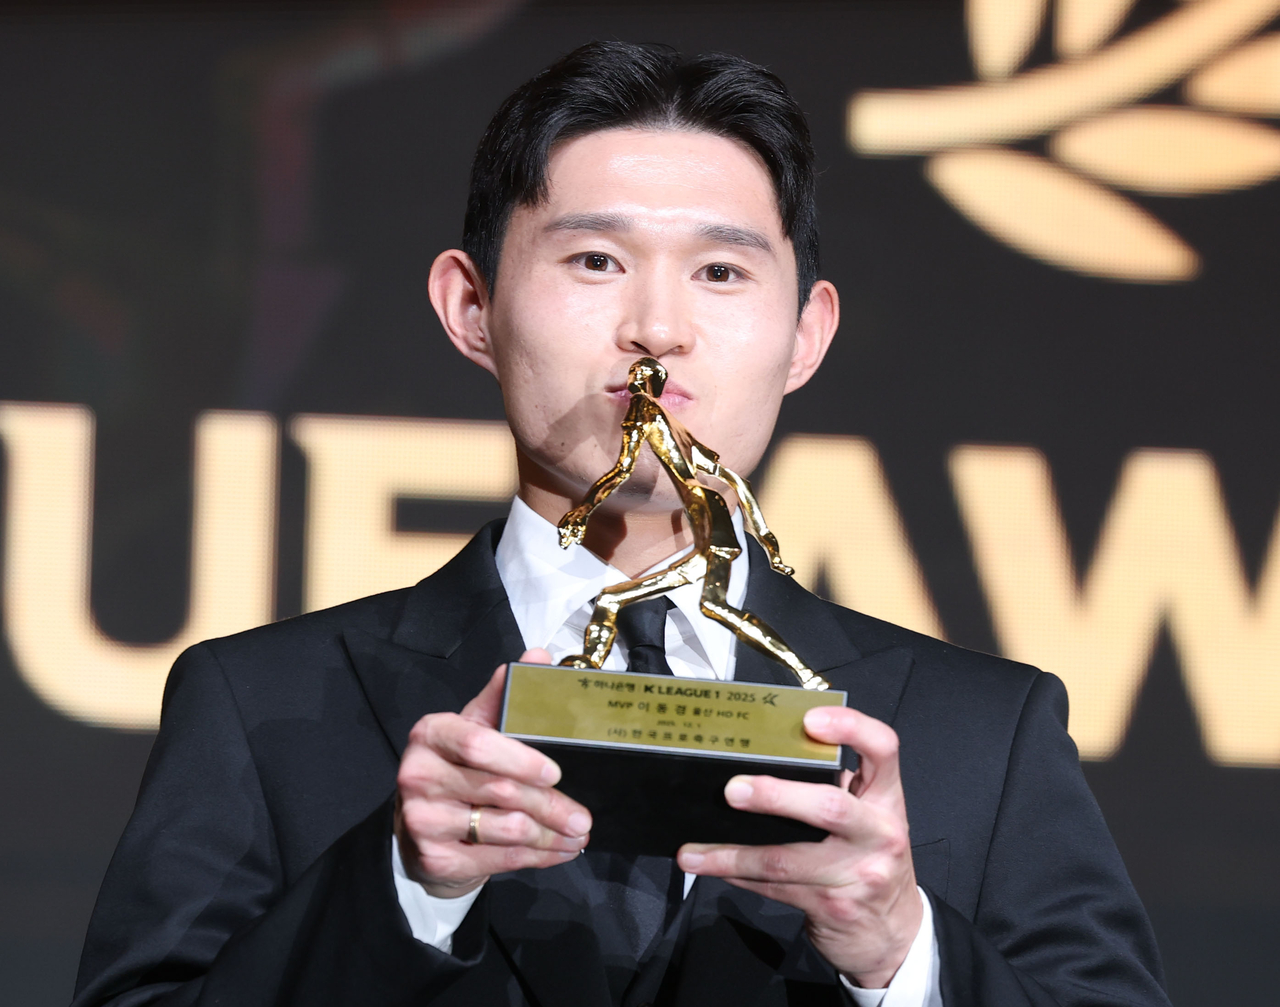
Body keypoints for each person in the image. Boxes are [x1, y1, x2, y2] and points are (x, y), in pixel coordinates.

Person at [72, 42, 1169, 1007]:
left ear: (804, 334)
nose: (656, 328)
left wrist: (900, 950)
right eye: (594, 259)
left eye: (721, 270)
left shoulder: (982, 732)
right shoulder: (256, 703)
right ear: (470, 307)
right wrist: (402, 885)